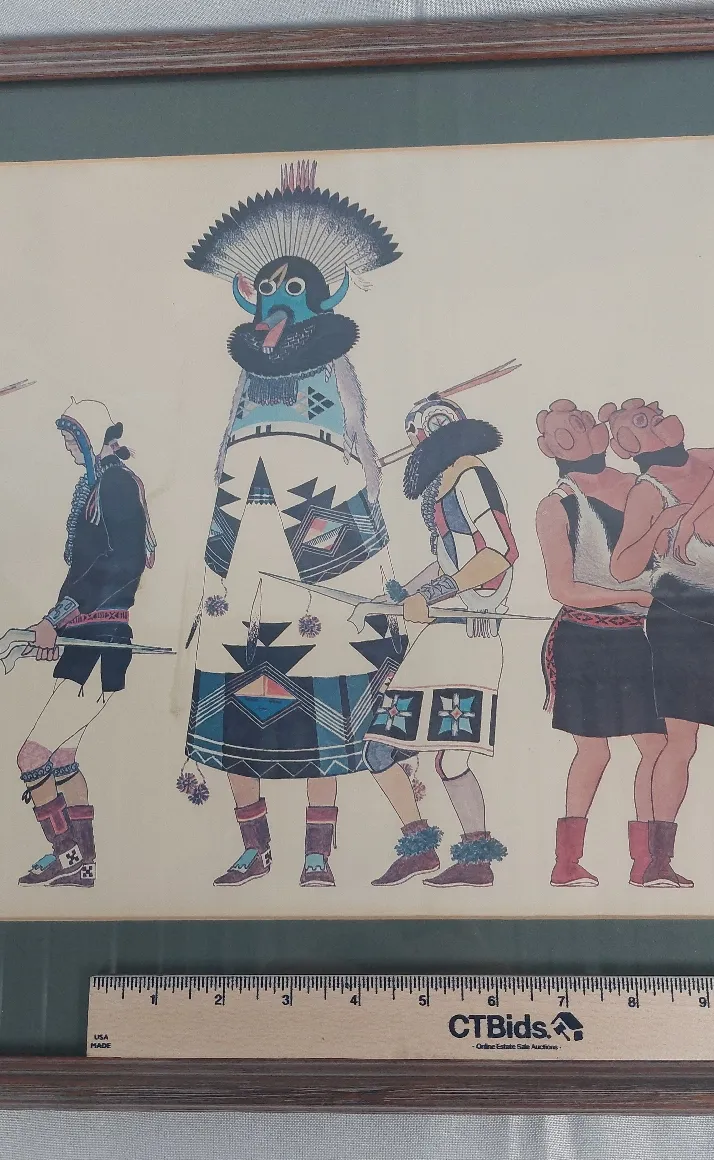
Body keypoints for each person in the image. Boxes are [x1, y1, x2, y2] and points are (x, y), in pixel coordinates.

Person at [180, 159, 403, 889]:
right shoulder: (248, 370)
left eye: (290, 293)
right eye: (265, 293)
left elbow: (360, 438)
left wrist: (368, 523)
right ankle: (254, 848)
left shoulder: (334, 366)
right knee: (232, 662)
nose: (273, 307)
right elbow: (226, 437)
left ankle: (317, 854)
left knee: (326, 664)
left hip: (318, 507)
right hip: (243, 522)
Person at [364, 393, 517, 888]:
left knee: (451, 756)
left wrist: (433, 594)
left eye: (418, 436)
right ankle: (420, 848)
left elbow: (499, 553)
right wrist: (399, 596)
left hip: (470, 633)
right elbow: (451, 559)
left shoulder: (470, 476)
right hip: (443, 634)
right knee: (381, 750)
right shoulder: (444, 483)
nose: (413, 446)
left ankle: (476, 860)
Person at [16, 400, 156, 887]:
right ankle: (83, 863)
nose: (68, 448)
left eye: (72, 439)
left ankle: (68, 856)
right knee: (61, 758)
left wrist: (58, 617)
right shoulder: (100, 485)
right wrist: (56, 622)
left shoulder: (116, 485)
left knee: (32, 757)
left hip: (102, 637)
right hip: (89, 635)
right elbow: (88, 566)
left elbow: (124, 562)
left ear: (95, 439)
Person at [535, 399, 667, 888]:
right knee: (594, 752)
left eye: (581, 422)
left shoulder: (640, 487)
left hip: (638, 637)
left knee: (656, 745)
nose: (576, 432)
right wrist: (632, 596)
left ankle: (650, 862)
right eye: (562, 430)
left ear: (598, 430)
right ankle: (566, 864)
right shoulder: (556, 505)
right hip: (584, 638)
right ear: (549, 447)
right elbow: (563, 588)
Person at [607, 397, 714, 887]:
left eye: (654, 414)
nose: (658, 419)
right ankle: (657, 861)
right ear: (629, 443)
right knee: (681, 742)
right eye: (644, 420)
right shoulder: (647, 491)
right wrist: (661, 524)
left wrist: (693, 515)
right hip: (683, 618)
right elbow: (622, 568)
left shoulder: (703, 461)